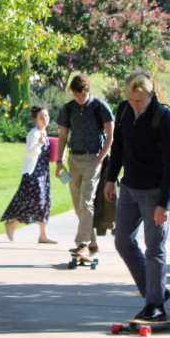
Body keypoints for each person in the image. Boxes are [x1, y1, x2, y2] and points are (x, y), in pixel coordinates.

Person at [103, 70, 170, 322]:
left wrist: (164, 203)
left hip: (154, 193)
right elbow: (118, 147)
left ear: (151, 94)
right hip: (128, 189)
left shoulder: (164, 119)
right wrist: (110, 179)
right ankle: (154, 290)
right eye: (131, 99)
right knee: (122, 241)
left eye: (140, 100)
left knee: (155, 249)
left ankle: (155, 305)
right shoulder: (124, 111)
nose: (135, 104)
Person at [54, 74, 114, 256]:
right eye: (76, 95)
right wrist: (59, 162)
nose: (80, 98)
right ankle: (92, 243)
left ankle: (82, 243)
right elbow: (63, 137)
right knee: (77, 204)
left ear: (89, 91)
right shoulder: (69, 108)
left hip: (92, 159)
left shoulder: (100, 107)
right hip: (73, 159)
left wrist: (100, 158)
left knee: (86, 202)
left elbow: (111, 136)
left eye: (83, 94)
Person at [1, 105, 57, 244]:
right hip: (33, 174)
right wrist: (38, 144)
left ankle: (43, 236)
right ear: (35, 119)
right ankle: (12, 224)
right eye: (41, 117)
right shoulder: (34, 134)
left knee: (46, 203)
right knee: (38, 203)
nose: (45, 119)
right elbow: (30, 153)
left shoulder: (45, 134)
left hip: (44, 173)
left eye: (46, 116)